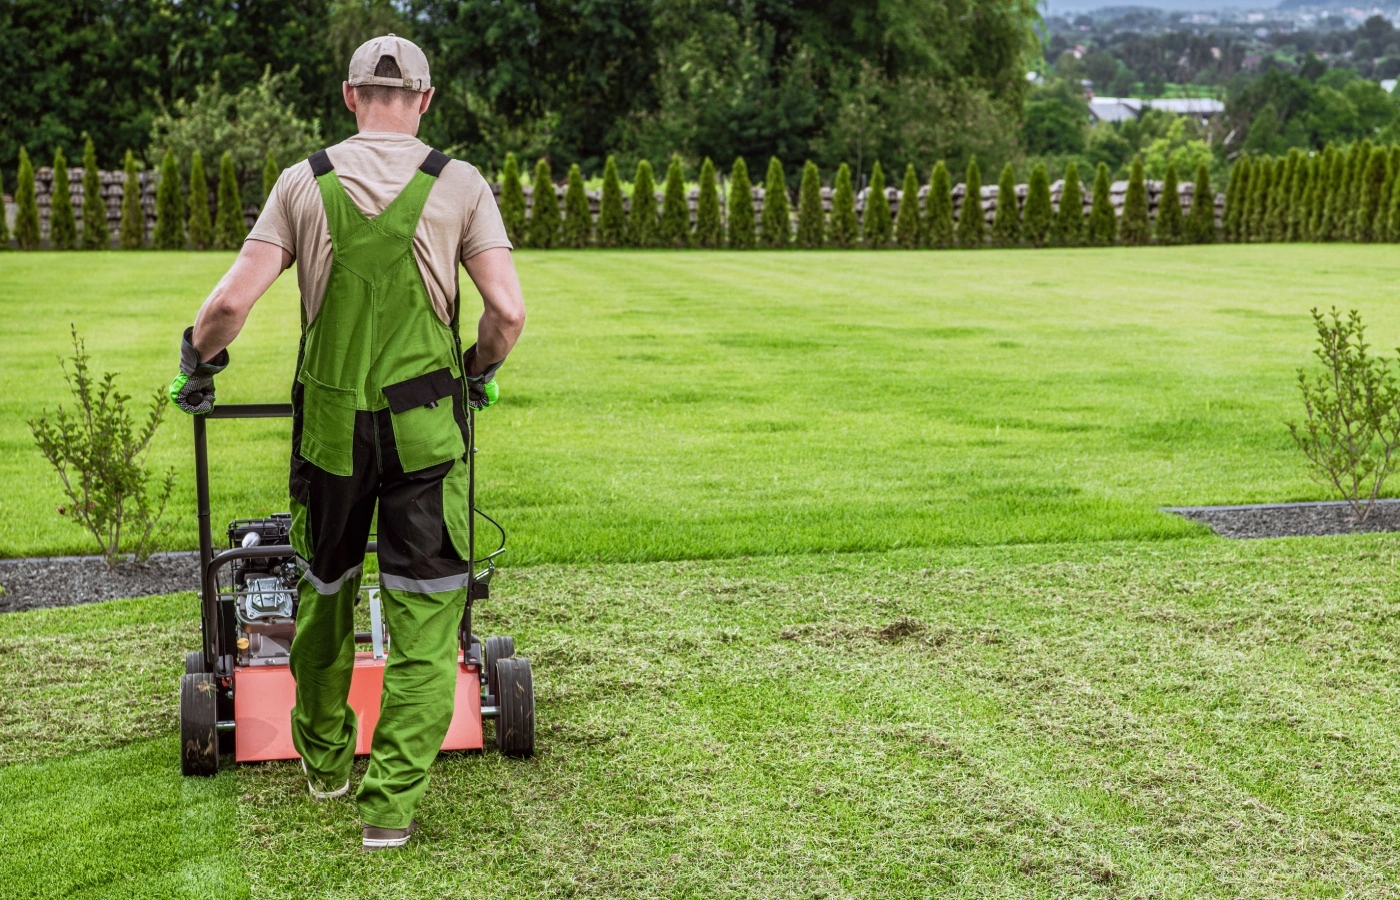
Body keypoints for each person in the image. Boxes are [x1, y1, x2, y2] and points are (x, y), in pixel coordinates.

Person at [169, 34, 526, 850]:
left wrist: (197, 360)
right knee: (427, 615)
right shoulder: (461, 183)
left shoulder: (304, 181)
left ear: (349, 95)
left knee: (325, 591)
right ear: (425, 100)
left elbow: (229, 305)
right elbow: (507, 313)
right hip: (426, 430)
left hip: (331, 433)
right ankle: (389, 810)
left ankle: (325, 760)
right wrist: (476, 370)